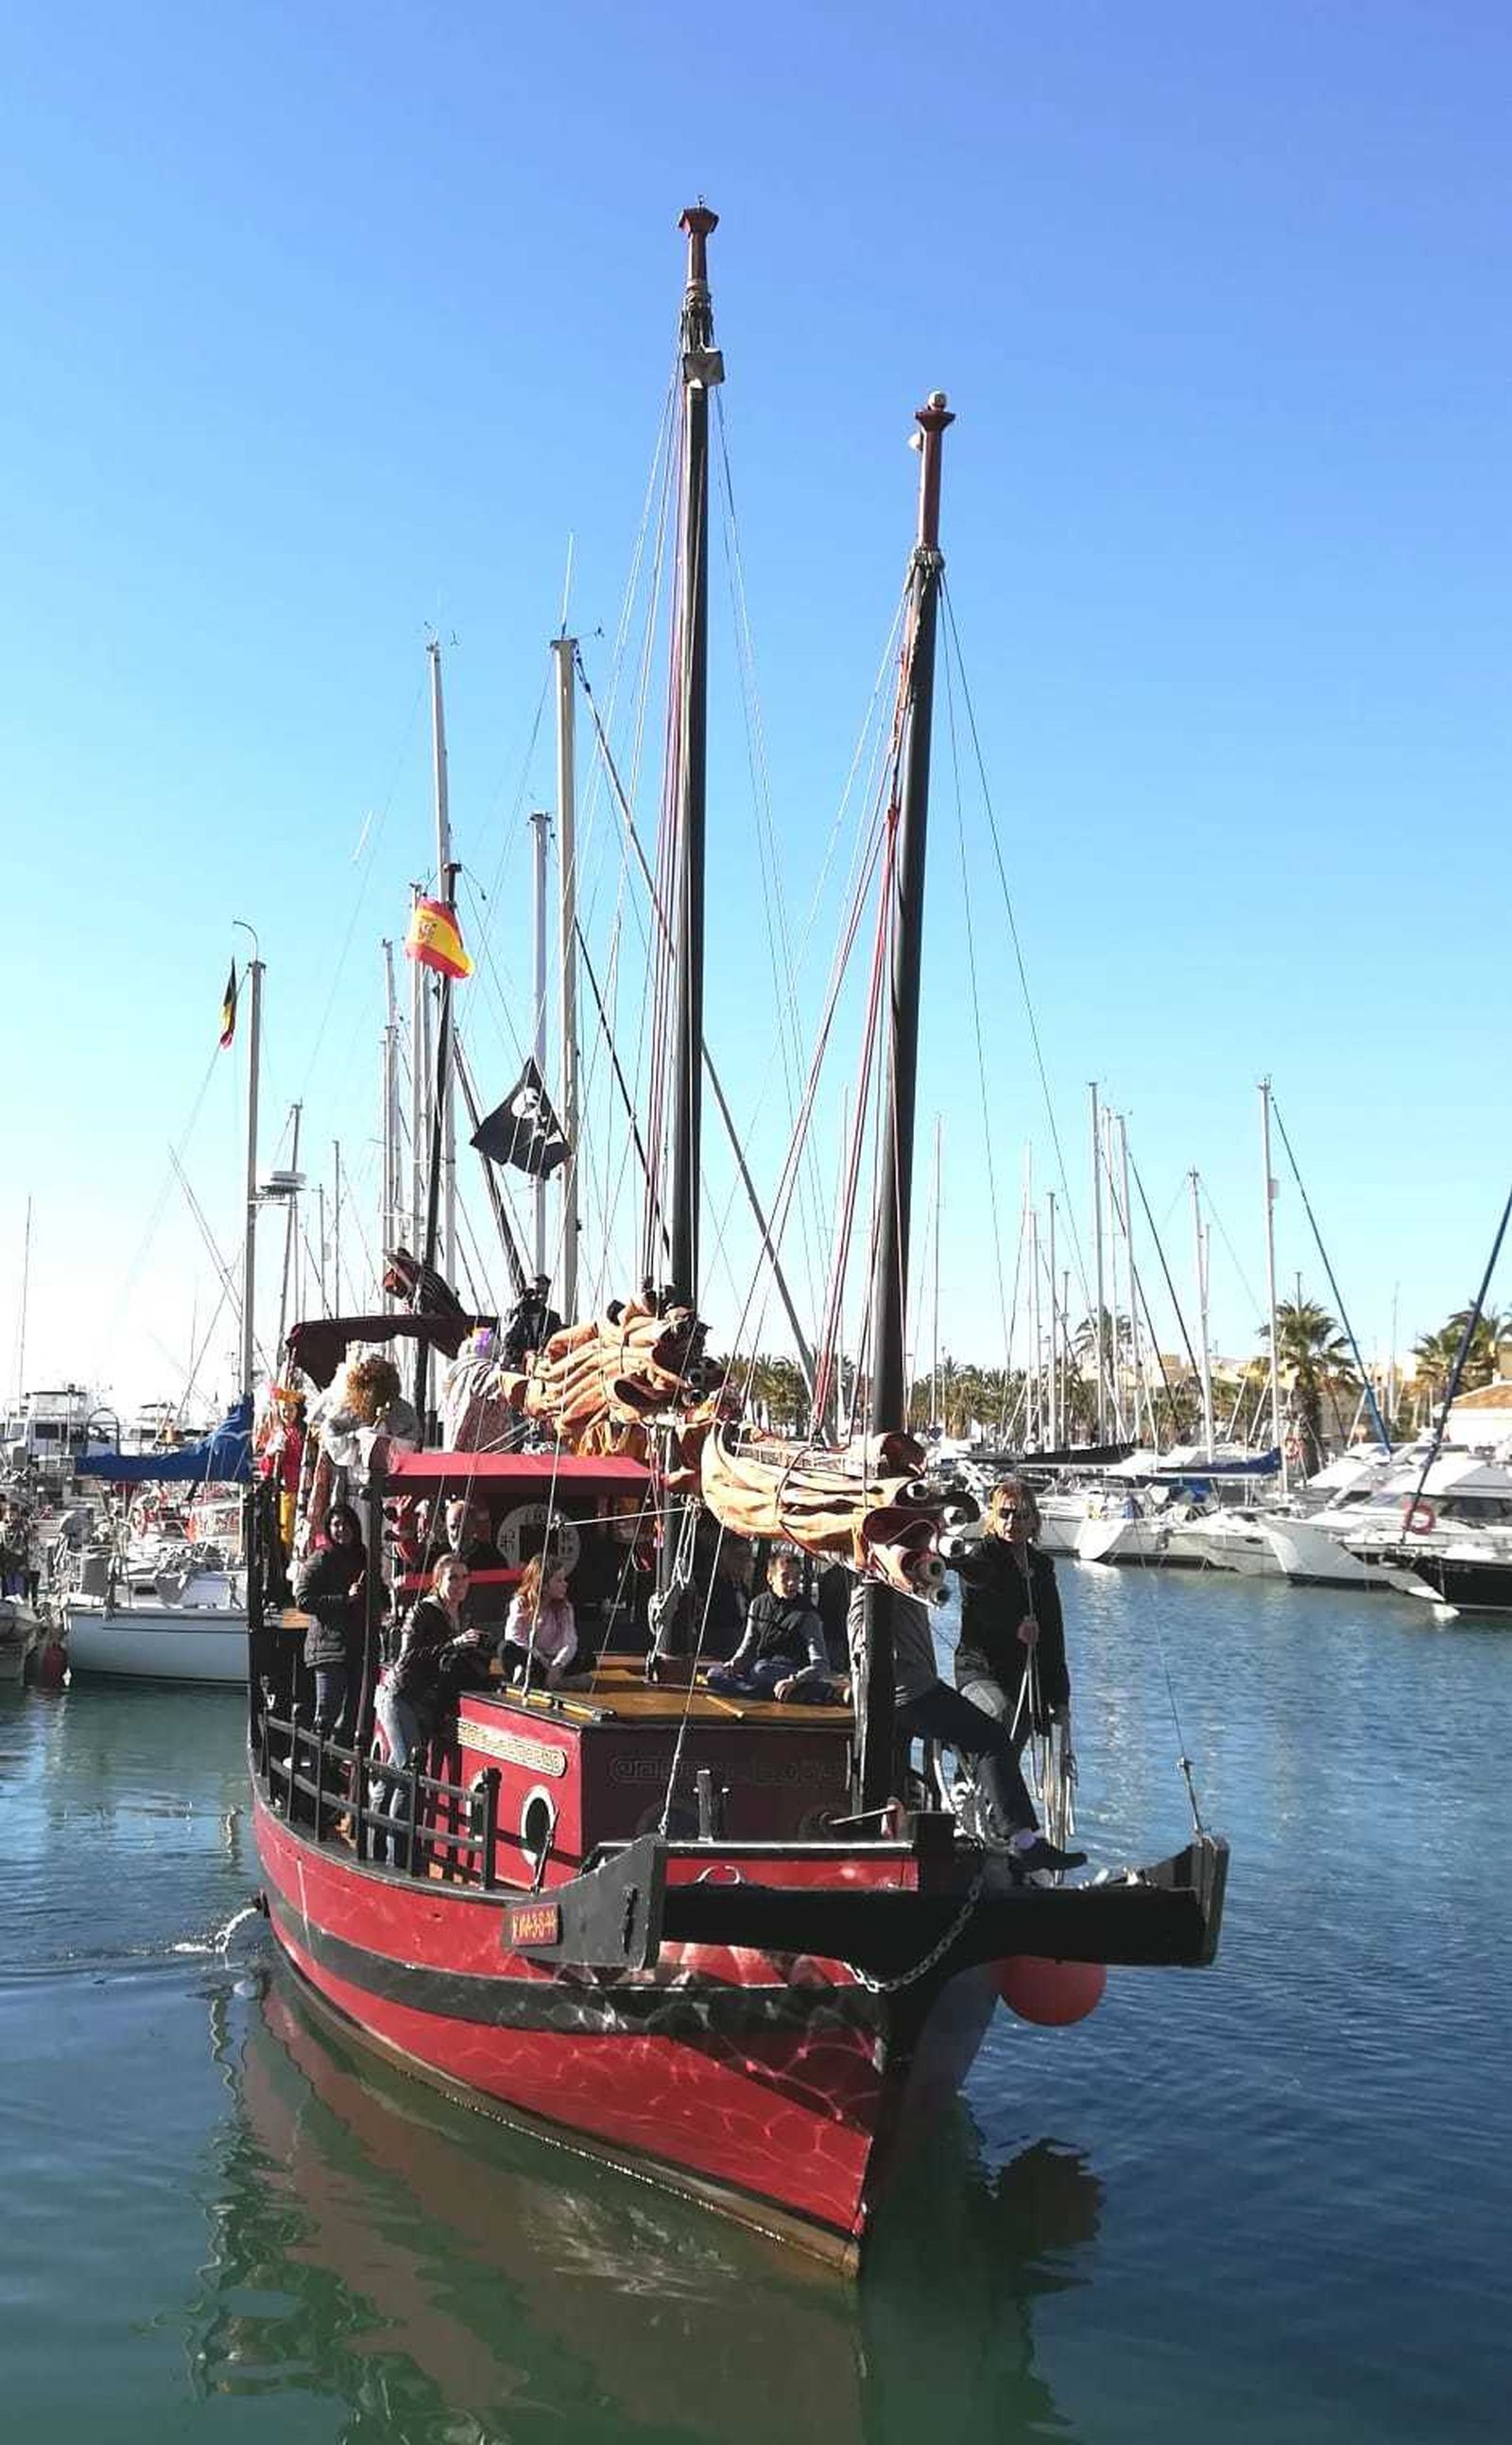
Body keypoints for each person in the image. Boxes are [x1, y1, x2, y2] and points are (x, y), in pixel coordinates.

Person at [846, 1577, 1082, 1874]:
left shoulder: (896, 1587)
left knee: (896, 1778)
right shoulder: (872, 1592)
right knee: (990, 1739)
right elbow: (862, 1643)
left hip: (901, 1693)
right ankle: (1023, 1842)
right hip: (909, 1692)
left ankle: (900, 1844)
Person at [949, 1478, 1072, 1755]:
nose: (1012, 1521)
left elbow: (1054, 1637)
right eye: (1005, 1513)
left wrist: (1061, 1700)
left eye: (1021, 1515)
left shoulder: (1042, 1567)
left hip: (1023, 1675)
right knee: (1005, 1715)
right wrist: (1015, 1628)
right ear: (993, 1517)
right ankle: (971, 1770)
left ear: (1034, 1521)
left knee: (1032, 1723)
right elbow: (980, 1610)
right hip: (980, 1670)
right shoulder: (979, 1558)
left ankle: (999, 1781)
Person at [371, 1555, 480, 1864]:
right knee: (410, 1773)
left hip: (424, 1704)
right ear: (438, 1581)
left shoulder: (459, 1616)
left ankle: (376, 1845)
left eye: (464, 1577)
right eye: (452, 1577)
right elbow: (407, 1658)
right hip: (401, 1696)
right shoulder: (423, 1611)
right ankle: (398, 1858)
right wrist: (454, 1644)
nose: (460, 1584)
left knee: (395, 1773)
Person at [707, 1548, 836, 1702]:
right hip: (762, 1669)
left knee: (760, 1670)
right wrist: (733, 1664)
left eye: (796, 1577)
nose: (792, 1583)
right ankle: (797, 1693)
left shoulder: (807, 1614)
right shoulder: (758, 1604)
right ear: (770, 1578)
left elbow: (821, 1665)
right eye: (785, 1577)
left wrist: (795, 1680)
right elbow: (747, 1647)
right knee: (714, 1674)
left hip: (790, 1671)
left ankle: (799, 1690)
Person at [293, 1503, 367, 1739]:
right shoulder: (321, 1558)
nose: (342, 1529)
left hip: (357, 1646)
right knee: (327, 1713)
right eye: (336, 1525)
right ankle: (318, 1760)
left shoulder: (362, 1557)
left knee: (354, 1716)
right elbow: (303, 1600)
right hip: (328, 1648)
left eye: (346, 1524)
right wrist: (344, 1599)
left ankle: (337, 1758)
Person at [502, 1552, 578, 1688]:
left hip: (553, 1658)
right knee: (505, 1648)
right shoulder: (520, 1603)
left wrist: (557, 1664)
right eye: (559, 1580)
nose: (565, 1584)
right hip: (532, 1657)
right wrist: (539, 1658)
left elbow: (570, 1641)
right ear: (544, 1585)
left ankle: (543, 1678)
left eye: (564, 1579)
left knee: (586, 1658)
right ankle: (552, 1680)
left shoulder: (565, 1608)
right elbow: (513, 1637)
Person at [500, 1275, 564, 1371]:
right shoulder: (512, 1314)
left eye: (545, 1293)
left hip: (541, 1368)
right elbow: (506, 1341)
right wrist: (518, 1314)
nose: (541, 1297)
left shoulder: (553, 1318)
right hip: (515, 1368)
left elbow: (558, 1346)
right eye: (537, 1292)